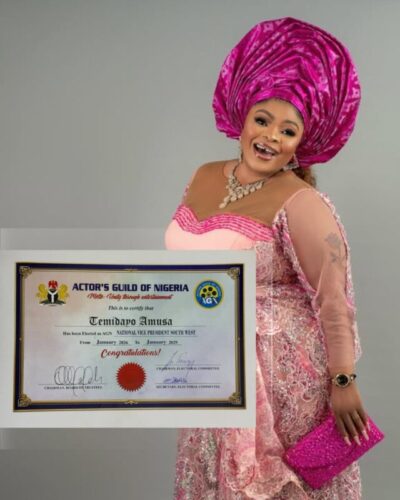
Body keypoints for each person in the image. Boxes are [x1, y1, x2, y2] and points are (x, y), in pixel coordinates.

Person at [165, 17, 369, 499]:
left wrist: (343, 381)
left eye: (288, 130)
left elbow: (333, 301)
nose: (271, 137)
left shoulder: (301, 201)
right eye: (262, 120)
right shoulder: (203, 176)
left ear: (303, 142)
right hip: (208, 366)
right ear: (242, 117)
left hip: (281, 384)